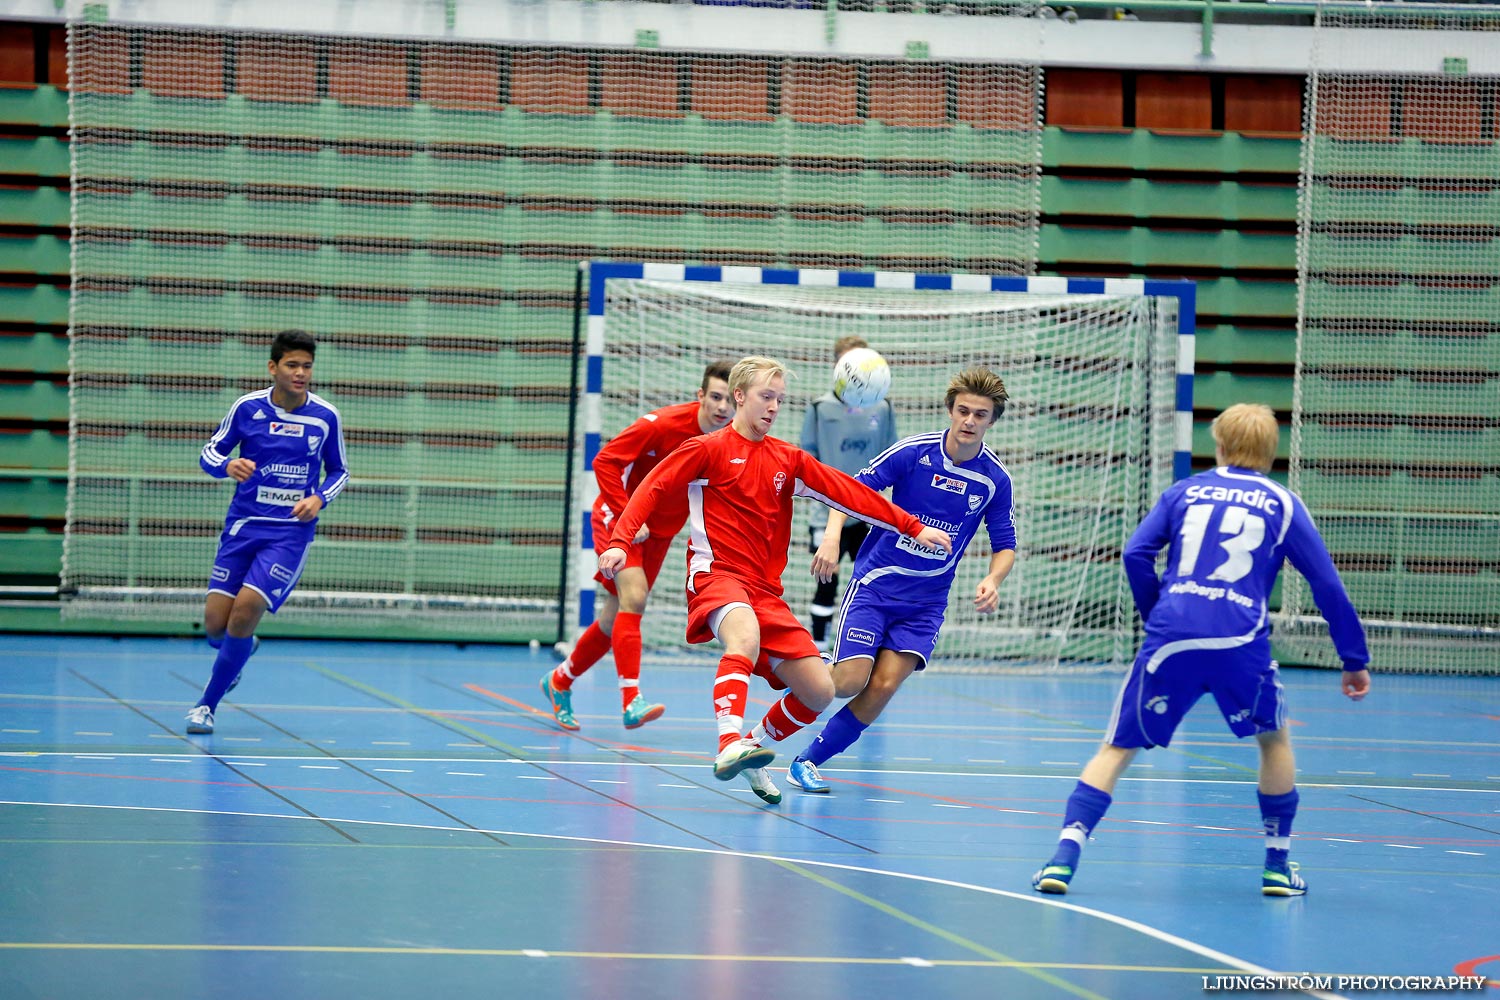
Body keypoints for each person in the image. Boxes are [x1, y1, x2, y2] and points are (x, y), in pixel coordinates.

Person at [1031, 403, 1371, 897]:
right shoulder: (1284, 503)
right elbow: (1326, 583)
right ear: (1272, 454)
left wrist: (1157, 614)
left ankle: (1062, 860)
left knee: (1117, 748)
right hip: (1239, 639)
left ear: (1221, 446)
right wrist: (1353, 659)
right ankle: (1278, 865)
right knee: (1273, 742)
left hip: (1173, 635)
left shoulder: (1184, 491)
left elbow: (1135, 553)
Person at [598, 356, 952, 805]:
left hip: (764, 592)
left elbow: (850, 493)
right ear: (740, 396)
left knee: (820, 689)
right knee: (741, 638)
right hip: (717, 576)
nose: (773, 407)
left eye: (780, 400)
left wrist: (912, 526)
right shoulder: (705, 449)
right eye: (766, 397)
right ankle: (728, 745)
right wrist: (620, 541)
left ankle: (753, 743)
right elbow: (652, 486)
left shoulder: (789, 459)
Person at [787, 367, 1016, 794]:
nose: (969, 421)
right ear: (950, 410)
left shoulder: (995, 480)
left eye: (980, 415)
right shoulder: (914, 453)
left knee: (885, 686)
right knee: (849, 682)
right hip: (876, 586)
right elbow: (850, 490)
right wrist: (833, 537)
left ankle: (807, 762)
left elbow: (1005, 542)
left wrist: (994, 578)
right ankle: (794, 674)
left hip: (926, 603)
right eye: (963, 411)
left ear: (991, 421)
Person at [541, 361, 736, 731]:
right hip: (619, 521)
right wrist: (628, 515)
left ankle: (560, 681)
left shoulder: (726, 443)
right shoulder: (662, 425)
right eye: (715, 397)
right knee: (635, 598)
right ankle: (631, 701)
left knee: (615, 617)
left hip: (660, 533)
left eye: (729, 400)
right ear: (700, 396)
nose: (722, 407)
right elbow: (604, 462)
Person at [186, 329, 349, 734]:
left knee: (243, 615)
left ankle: (206, 705)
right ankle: (239, 653)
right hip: (242, 528)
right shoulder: (247, 408)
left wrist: (320, 499)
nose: (300, 373)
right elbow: (210, 453)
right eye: (292, 365)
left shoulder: (325, 416)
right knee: (215, 627)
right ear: (273, 367)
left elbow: (340, 471)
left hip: (289, 535)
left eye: (307, 366)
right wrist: (227, 466)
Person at [800, 335, 898, 652]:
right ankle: (818, 649)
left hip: (868, 510)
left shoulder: (882, 408)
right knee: (826, 581)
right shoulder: (820, 407)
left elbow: (890, 457)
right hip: (826, 513)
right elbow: (807, 459)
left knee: (871, 582)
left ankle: (863, 646)